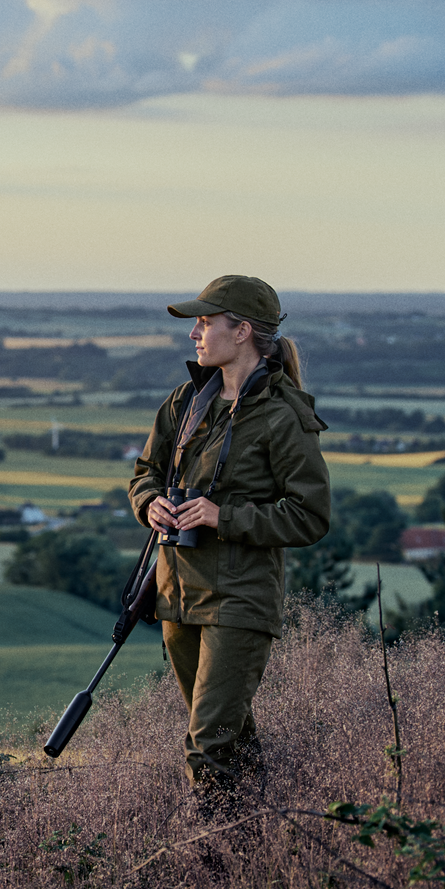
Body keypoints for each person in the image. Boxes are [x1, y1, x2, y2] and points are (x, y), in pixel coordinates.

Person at [128, 275, 331, 815]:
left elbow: (310, 516)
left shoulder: (282, 415)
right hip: (177, 595)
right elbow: (144, 473)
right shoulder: (188, 402)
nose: (195, 332)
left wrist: (224, 517)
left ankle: (213, 864)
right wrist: (150, 502)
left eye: (206, 321)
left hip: (240, 599)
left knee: (208, 746)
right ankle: (261, 844)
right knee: (231, 738)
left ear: (242, 332)